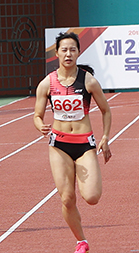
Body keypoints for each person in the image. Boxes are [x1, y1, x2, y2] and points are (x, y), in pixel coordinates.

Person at [33, 32, 112, 253]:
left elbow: (106, 111)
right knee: (67, 198)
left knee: (92, 197)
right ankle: (81, 241)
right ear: (57, 53)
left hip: (84, 143)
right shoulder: (47, 83)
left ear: (78, 52)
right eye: (64, 49)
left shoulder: (88, 80)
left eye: (73, 49)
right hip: (59, 144)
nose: (68, 53)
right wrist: (39, 124)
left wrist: (105, 137)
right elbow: (37, 115)